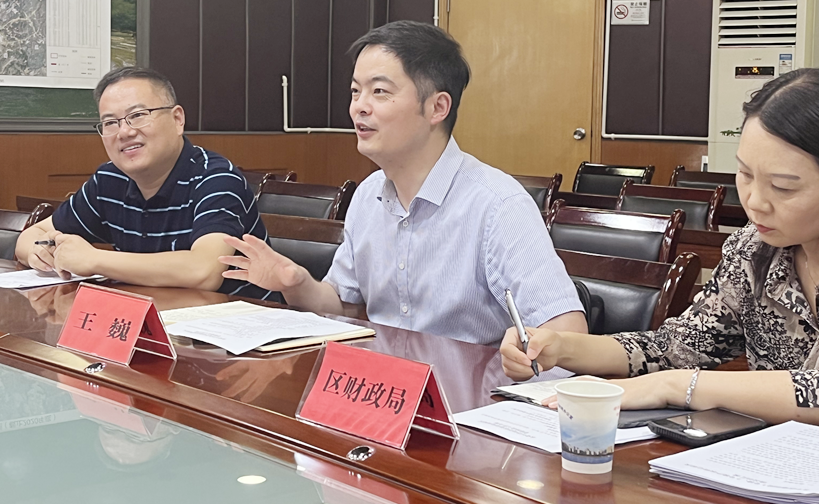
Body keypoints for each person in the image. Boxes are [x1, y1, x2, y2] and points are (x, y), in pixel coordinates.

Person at [502, 68, 819, 442]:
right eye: (744, 174)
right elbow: (676, 347)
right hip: (788, 465)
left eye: (783, 187)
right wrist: (561, 347)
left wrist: (675, 387)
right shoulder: (755, 247)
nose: (755, 202)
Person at [221, 21, 586, 345]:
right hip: (387, 388)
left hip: (468, 394)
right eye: (355, 91)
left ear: (437, 108)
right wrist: (296, 282)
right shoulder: (368, 195)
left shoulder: (498, 206)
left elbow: (567, 335)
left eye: (379, 92)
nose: (359, 107)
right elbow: (343, 304)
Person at [15, 67, 275, 299]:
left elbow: (204, 271)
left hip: (236, 328)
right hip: (154, 319)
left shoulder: (216, 178)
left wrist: (93, 259)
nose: (125, 132)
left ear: (177, 119)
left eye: (138, 115)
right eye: (110, 122)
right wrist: (40, 253)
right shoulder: (110, 179)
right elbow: (30, 237)